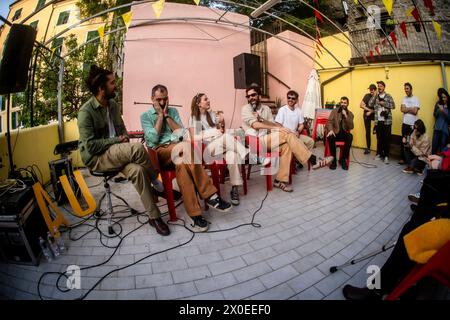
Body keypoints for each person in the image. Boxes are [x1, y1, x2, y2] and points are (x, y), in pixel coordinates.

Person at [77, 65, 169, 236]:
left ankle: (154, 217)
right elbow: (90, 146)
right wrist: (117, 141)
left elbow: (123, 130)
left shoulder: (112, 104)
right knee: (136, 147)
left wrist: (123, 138)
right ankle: (157, 184)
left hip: (117, 152)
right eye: (112, 83)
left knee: (138, 170)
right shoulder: (85, 112)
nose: (116, 85)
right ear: (101, 88)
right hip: (97, 157)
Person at [140, 85, 231, 232]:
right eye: (159, 100)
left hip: (179, 151)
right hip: (161, 152)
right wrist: (159, 116)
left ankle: (195, 216)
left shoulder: (173, 111)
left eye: (165, 99)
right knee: (187, 147)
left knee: (182, 163)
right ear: (152, 99)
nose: (163, 102)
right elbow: (152, 139)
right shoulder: (145, 116)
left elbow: (181, 133)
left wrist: (167, 116)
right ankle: (210, 195)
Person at [241, 84, 332, 192]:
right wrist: (279, 129)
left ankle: (279, 181)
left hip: (268, 140)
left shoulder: (266, 109)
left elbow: (272, 125)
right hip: (255, 142)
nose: (251, 98)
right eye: (248, 96)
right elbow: (255, 125)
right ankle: (313, 160)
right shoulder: (246, 109)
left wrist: (262, 119)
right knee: (287, 132)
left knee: (287, 146)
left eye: (253, 95)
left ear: (259, 96)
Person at [189, 93, 247, 206]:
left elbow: (221, 130)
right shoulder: (194, 117)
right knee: (226, 137)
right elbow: (194, 137)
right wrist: (212, 132)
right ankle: (245, 152)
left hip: (220, 145)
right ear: (198, 103)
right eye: (205, 99)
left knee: (233, 156)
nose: (208, 100)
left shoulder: (210, 114)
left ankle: (234, 189)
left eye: (208, 98)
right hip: (207, 149)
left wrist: (221, 122)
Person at [369, 81, 395, 164]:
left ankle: (386, 156)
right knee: (379, 138)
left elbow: (393, 106)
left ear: (384, 87)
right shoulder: (376, 96)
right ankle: (379, 154)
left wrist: (384, 104)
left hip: (387, 121)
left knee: (386, 139)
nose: (379, 87)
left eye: (381, 86)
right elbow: (370, 104)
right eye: (378, 86)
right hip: (378, 121)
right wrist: (375, 95)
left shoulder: (388, 96)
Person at [325, 96, 354, 170]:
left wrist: (346, 116)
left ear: (347, 104)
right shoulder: (334, 111)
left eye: (345, 103)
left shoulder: (350, 114)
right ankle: (334, 161)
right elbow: (329, 122)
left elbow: (351, 126)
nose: (343, 104)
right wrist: (331, 130)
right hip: (335, 132)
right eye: (342, 102)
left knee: (350, 136)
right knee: (330, 137)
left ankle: (343, 160)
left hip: (343, 134)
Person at [399, 83, 420, 165]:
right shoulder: (404, 98)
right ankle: (402, 159)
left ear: (411, 89)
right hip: (405, 123)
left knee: (412, 142)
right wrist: (411, 108)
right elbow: (402, 109)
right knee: (403, 141)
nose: (406, 90)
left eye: (407, 88)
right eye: (405, 89)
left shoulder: (416, 99)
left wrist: (406, 109)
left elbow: (415, 112)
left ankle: (411, 160)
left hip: (413, 124)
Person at [432, 88, 450, 154]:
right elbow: (434, 115)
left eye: (445, 97)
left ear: (447, 96)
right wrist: (439, 110)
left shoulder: (449, 105)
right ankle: (432, 163)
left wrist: (444, 111)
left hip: (445, 130)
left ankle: (441, 163)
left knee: (442, 148)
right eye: (442, 97)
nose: (443, 99)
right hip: (437, 128)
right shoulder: (438, 103)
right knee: (434, 146)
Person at [360, 84, 376, 154]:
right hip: (367, 115)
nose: (371, 91)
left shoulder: (378, 96)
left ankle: (379, 150)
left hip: (375, 115)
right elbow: (361, 105)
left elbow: (379, 108)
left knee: (378, 131)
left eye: (372, 89)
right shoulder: (367, 95)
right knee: (368, 131)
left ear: (375, 90)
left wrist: (372, 111)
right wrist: (370, 110)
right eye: (370, 89)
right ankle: (368, 148)